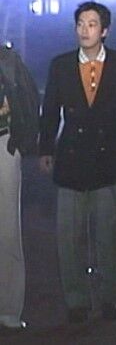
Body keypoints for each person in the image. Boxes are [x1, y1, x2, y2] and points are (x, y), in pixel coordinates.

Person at [39, 2, 116, 324]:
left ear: (105, 30)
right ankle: (77, 299)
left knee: (110, 233)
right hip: (71, 157)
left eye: (92, 24)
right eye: (80, 23)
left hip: (109, 159)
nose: (85, 30)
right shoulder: (61, 65)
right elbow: (50, 110)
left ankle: (112, 297)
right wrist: (46, 149)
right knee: (69, 235)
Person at [0, 44, 39, 330]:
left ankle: (9, 308)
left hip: (3, 144)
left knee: (8, 230)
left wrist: (20, 143)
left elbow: (28, 99)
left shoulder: (8, 59)